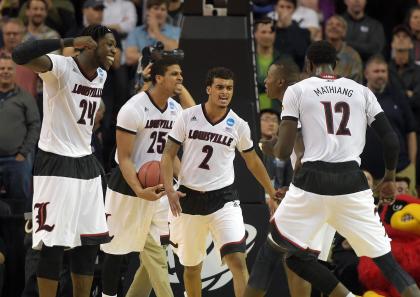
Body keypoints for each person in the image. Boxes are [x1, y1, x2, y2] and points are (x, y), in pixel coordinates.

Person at [257, 40, 420, 297]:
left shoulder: (299, 93)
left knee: (281, 254)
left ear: (308, 65)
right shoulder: (361, 91)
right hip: (351, 185)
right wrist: (389, 177)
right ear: (336, 64)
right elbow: (391, 139)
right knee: (385, 265)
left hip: (313, 185)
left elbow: (291, 151)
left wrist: (270, 149)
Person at [11, 25, 117, 297]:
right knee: (53, 246)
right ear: (90, 44)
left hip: (87, 164)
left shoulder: (102, 74)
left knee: (88, 244)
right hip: (56, 164)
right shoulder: (59, 67)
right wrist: (69, 41)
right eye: (109, 44)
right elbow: (19, 54)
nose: (114, 50)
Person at [161, 67, 279, 297]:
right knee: (192, 268)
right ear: (208, 89)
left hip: (224, 199)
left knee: (237, 261)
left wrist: (271, 192)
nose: (225, 92)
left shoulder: (239, 124)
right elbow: (167, 154)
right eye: (219, 87)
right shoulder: (187, 116)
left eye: (229, 88)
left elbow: (253, 161)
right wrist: (169, 189)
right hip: (188, 197)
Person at [245, 58, 336, 297]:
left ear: (281, 81)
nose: (265, 82)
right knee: (296, 258)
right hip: (326, 187)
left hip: (314, 190)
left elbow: (305, 155)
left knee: (277, 254)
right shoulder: (309, 99)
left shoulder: (296, 101)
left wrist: (296, 187)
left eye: (269, 77)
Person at [100, 57, 183, 297]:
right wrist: (139, 190)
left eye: (181, 74)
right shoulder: (133, 108)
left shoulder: (176, 110)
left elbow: (171, 155)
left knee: (158, 250)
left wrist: (184, 180)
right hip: (127, 184)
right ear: (158, 78)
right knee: (115, 250)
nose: (180, 78)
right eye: (174, 74)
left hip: (159, 185)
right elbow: (125, 158)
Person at [362, 55, 417, 197]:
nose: (380, 75)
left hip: (400, 172)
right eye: (376, 71)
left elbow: (411, 132)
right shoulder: (357, 98)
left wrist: (412, 165)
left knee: (406, 215)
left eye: (383, 71)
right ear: (366, 73)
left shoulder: (398, 96)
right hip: (366, 175)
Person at [0, 53, 40, 208]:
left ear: (14, 71)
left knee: (20, 206)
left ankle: (21, 233)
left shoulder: (25, 97)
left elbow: (35, 125)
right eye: (2, 68)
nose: (5, 71)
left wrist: (23, 153)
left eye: (9, 68)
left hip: (16, 161)